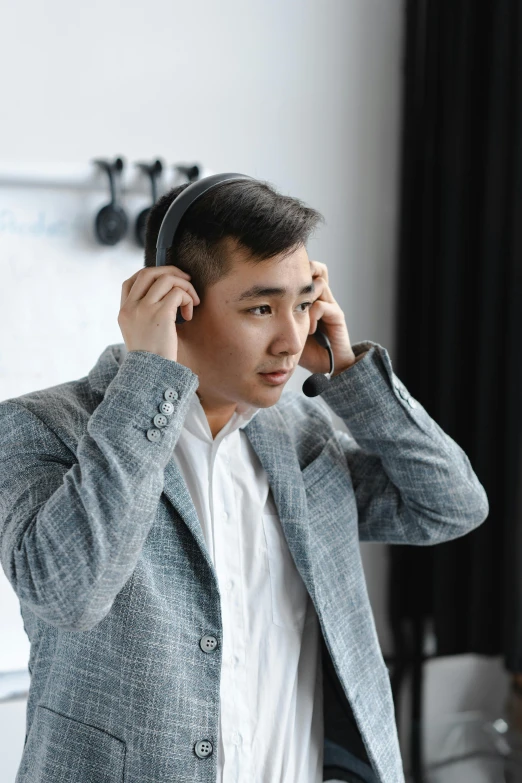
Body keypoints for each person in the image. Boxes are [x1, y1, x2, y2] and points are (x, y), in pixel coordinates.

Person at [0, 177, 489, 783]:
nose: (291, 338)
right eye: (261, 307)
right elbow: (71, 593)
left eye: (304, 301)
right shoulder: (39, 428)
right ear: (176, 305)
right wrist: (150, 373)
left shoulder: (301, 435)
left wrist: (352, 375)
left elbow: (451, 505)